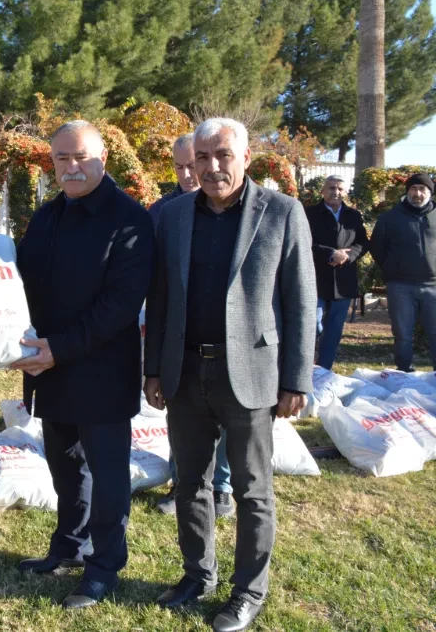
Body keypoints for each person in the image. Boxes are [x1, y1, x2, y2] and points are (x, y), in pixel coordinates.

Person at [144, 118, 316, 632]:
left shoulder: (283, 212)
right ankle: (198, 576)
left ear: (245, 157)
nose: (212, 166)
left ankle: (248, 592)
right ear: (191, 161)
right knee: (190, 482)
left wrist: (296, 380)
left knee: (251, 489)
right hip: (185, 369)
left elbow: (301, 301)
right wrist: (153, 369)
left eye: (222, 155)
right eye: (202, 156)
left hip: (252, 373)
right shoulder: (172, 215)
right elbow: (161, 297)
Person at [11, 120, 153, 608]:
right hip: (52, 369)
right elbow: (21, 280)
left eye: (80, 157)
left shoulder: (129, 218)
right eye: (60, 159)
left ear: (103, 158)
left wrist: (60, 348)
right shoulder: (47, 215)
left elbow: (120, 304)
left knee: (108, 475)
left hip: (100, 370)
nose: (70, 167)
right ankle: (70, 547)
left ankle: (104, 566)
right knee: (65, 466)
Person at [149, 133, 234, 518]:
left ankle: (222, 487)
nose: (188, 174)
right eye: (180, 167)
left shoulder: (241, 209)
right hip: (181, 342)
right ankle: (180, 481)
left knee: (229, 422)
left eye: (192, 164)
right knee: (183, 420)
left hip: (231, 344)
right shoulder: (164, 212)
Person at [370, 173, 436, 371]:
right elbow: (377, 248)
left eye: (422, 189)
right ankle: (404, 372)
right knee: (403, 334)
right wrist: (392, 268)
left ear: (430, 193)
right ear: (407, 192)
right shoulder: (390, 218)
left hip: (433, 286)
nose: (417, 193)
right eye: (413, 189)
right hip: (400, 286)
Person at [306, 175, 369, 370]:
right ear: (323, 191)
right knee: (312, 327)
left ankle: (324, 371)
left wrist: (348, 256)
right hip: (316, 280)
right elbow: (302, 242)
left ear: (345, 192)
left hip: (343, 281)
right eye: (331, 188)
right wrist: (330, 253)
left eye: (340, 189)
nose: (336, 192)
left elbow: (362, 242)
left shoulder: (353, 215)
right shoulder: (308, 214)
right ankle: (303, 369)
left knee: (333, 331)